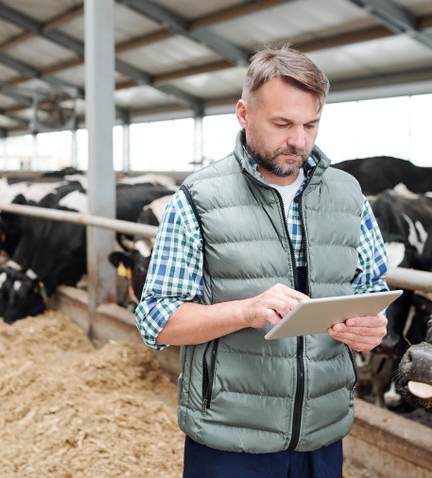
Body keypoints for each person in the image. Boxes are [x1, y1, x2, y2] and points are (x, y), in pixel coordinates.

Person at [134, 45, 391, 478]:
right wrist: (245, 310)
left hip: (323, 435)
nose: (299, 141)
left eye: (311, 124)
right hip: (231, 440)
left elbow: (372, 291)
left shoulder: (349, 196)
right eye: (282, 124)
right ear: (243, 113)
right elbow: (156, 320)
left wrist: (371, 328)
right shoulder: (198, 199)